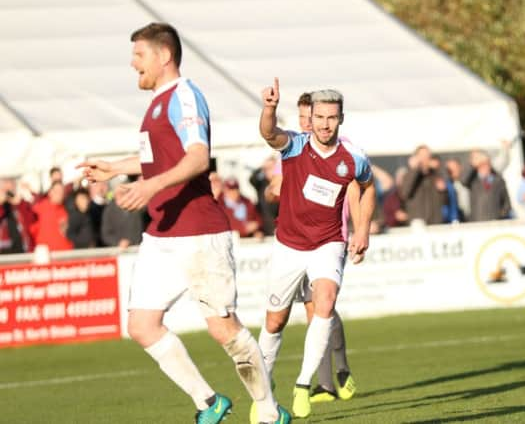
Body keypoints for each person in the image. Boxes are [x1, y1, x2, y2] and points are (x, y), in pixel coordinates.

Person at [77, 23, 289, 424]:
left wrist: (149, 184)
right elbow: (156, 158)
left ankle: (268, 411)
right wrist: (113, 168)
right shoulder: (156, 102)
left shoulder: (186, 95)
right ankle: (209, 402)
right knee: (141, 325)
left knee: (223, 329)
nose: (132, 63)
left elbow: (196, 157)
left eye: (138, 55)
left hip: (199, 233)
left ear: (163, 56)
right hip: (162, 232)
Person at [257, 79, 375, 419]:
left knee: (325, 301)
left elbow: (367, 189)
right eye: (319, 117)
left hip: (328, 242)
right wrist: (268, 109)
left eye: (331, 118)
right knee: (275, 321)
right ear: (311, 118)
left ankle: (304, 384)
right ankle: (263, 391)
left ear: (341, 119)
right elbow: (268, 133)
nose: (325, 124)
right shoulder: (294, 146)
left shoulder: (353, 158)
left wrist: (362, 230)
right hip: (289, 245)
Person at [399, 145, 447, 225]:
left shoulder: (436, 175)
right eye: (422, 156)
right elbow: (405, 193)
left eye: (427, 156)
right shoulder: (409, 174)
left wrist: (443, 191)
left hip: (435, 221)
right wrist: (415, 169)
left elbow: (444, 201)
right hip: (418, 222)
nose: (425, 159)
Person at [463, 150, 512, 221]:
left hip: (495, 222)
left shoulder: (498, 181)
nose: (485, 167)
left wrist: (500, 216)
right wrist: (473, 163)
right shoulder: (473, 181)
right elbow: (463, 180)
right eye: (482, 165)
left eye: (486, 164)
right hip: (477, 221)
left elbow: (507, 203)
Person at [30, 181, 73, 251]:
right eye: (57, 191)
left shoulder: (66, 210)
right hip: (46, 254)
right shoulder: (40, 207)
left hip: (64, 253)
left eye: (62, 191)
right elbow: (31, 228)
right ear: (50, 192)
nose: (60, 194)